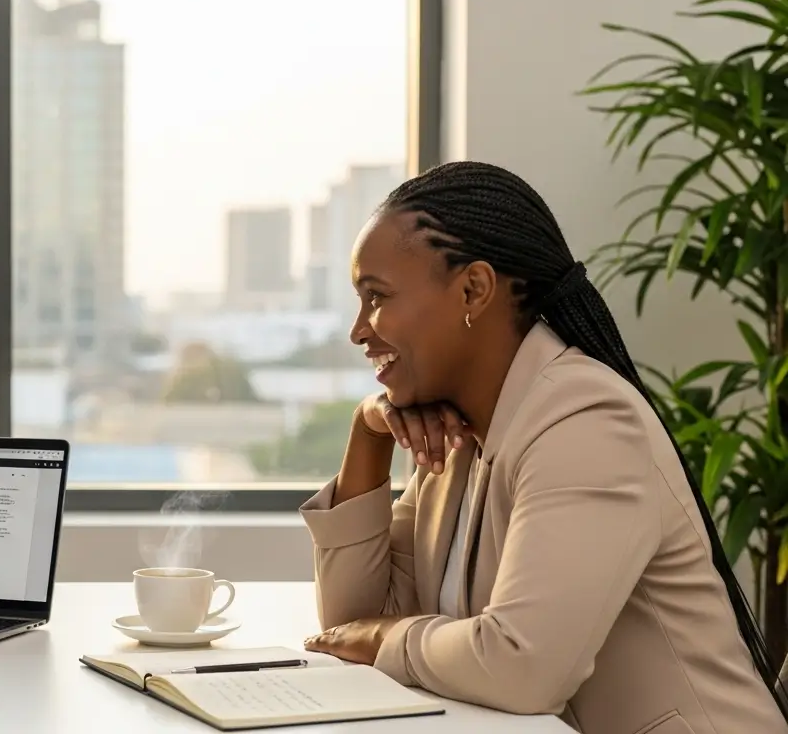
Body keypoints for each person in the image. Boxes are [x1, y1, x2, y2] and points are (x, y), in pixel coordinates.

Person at [297, 161, 788, 734]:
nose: (359, 329)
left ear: (473, 290)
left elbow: (525, 667)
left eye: (376, 297)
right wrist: (368, 435)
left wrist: (388, 636)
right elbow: (349, 626)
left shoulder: (586, 420)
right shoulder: (460, 437)